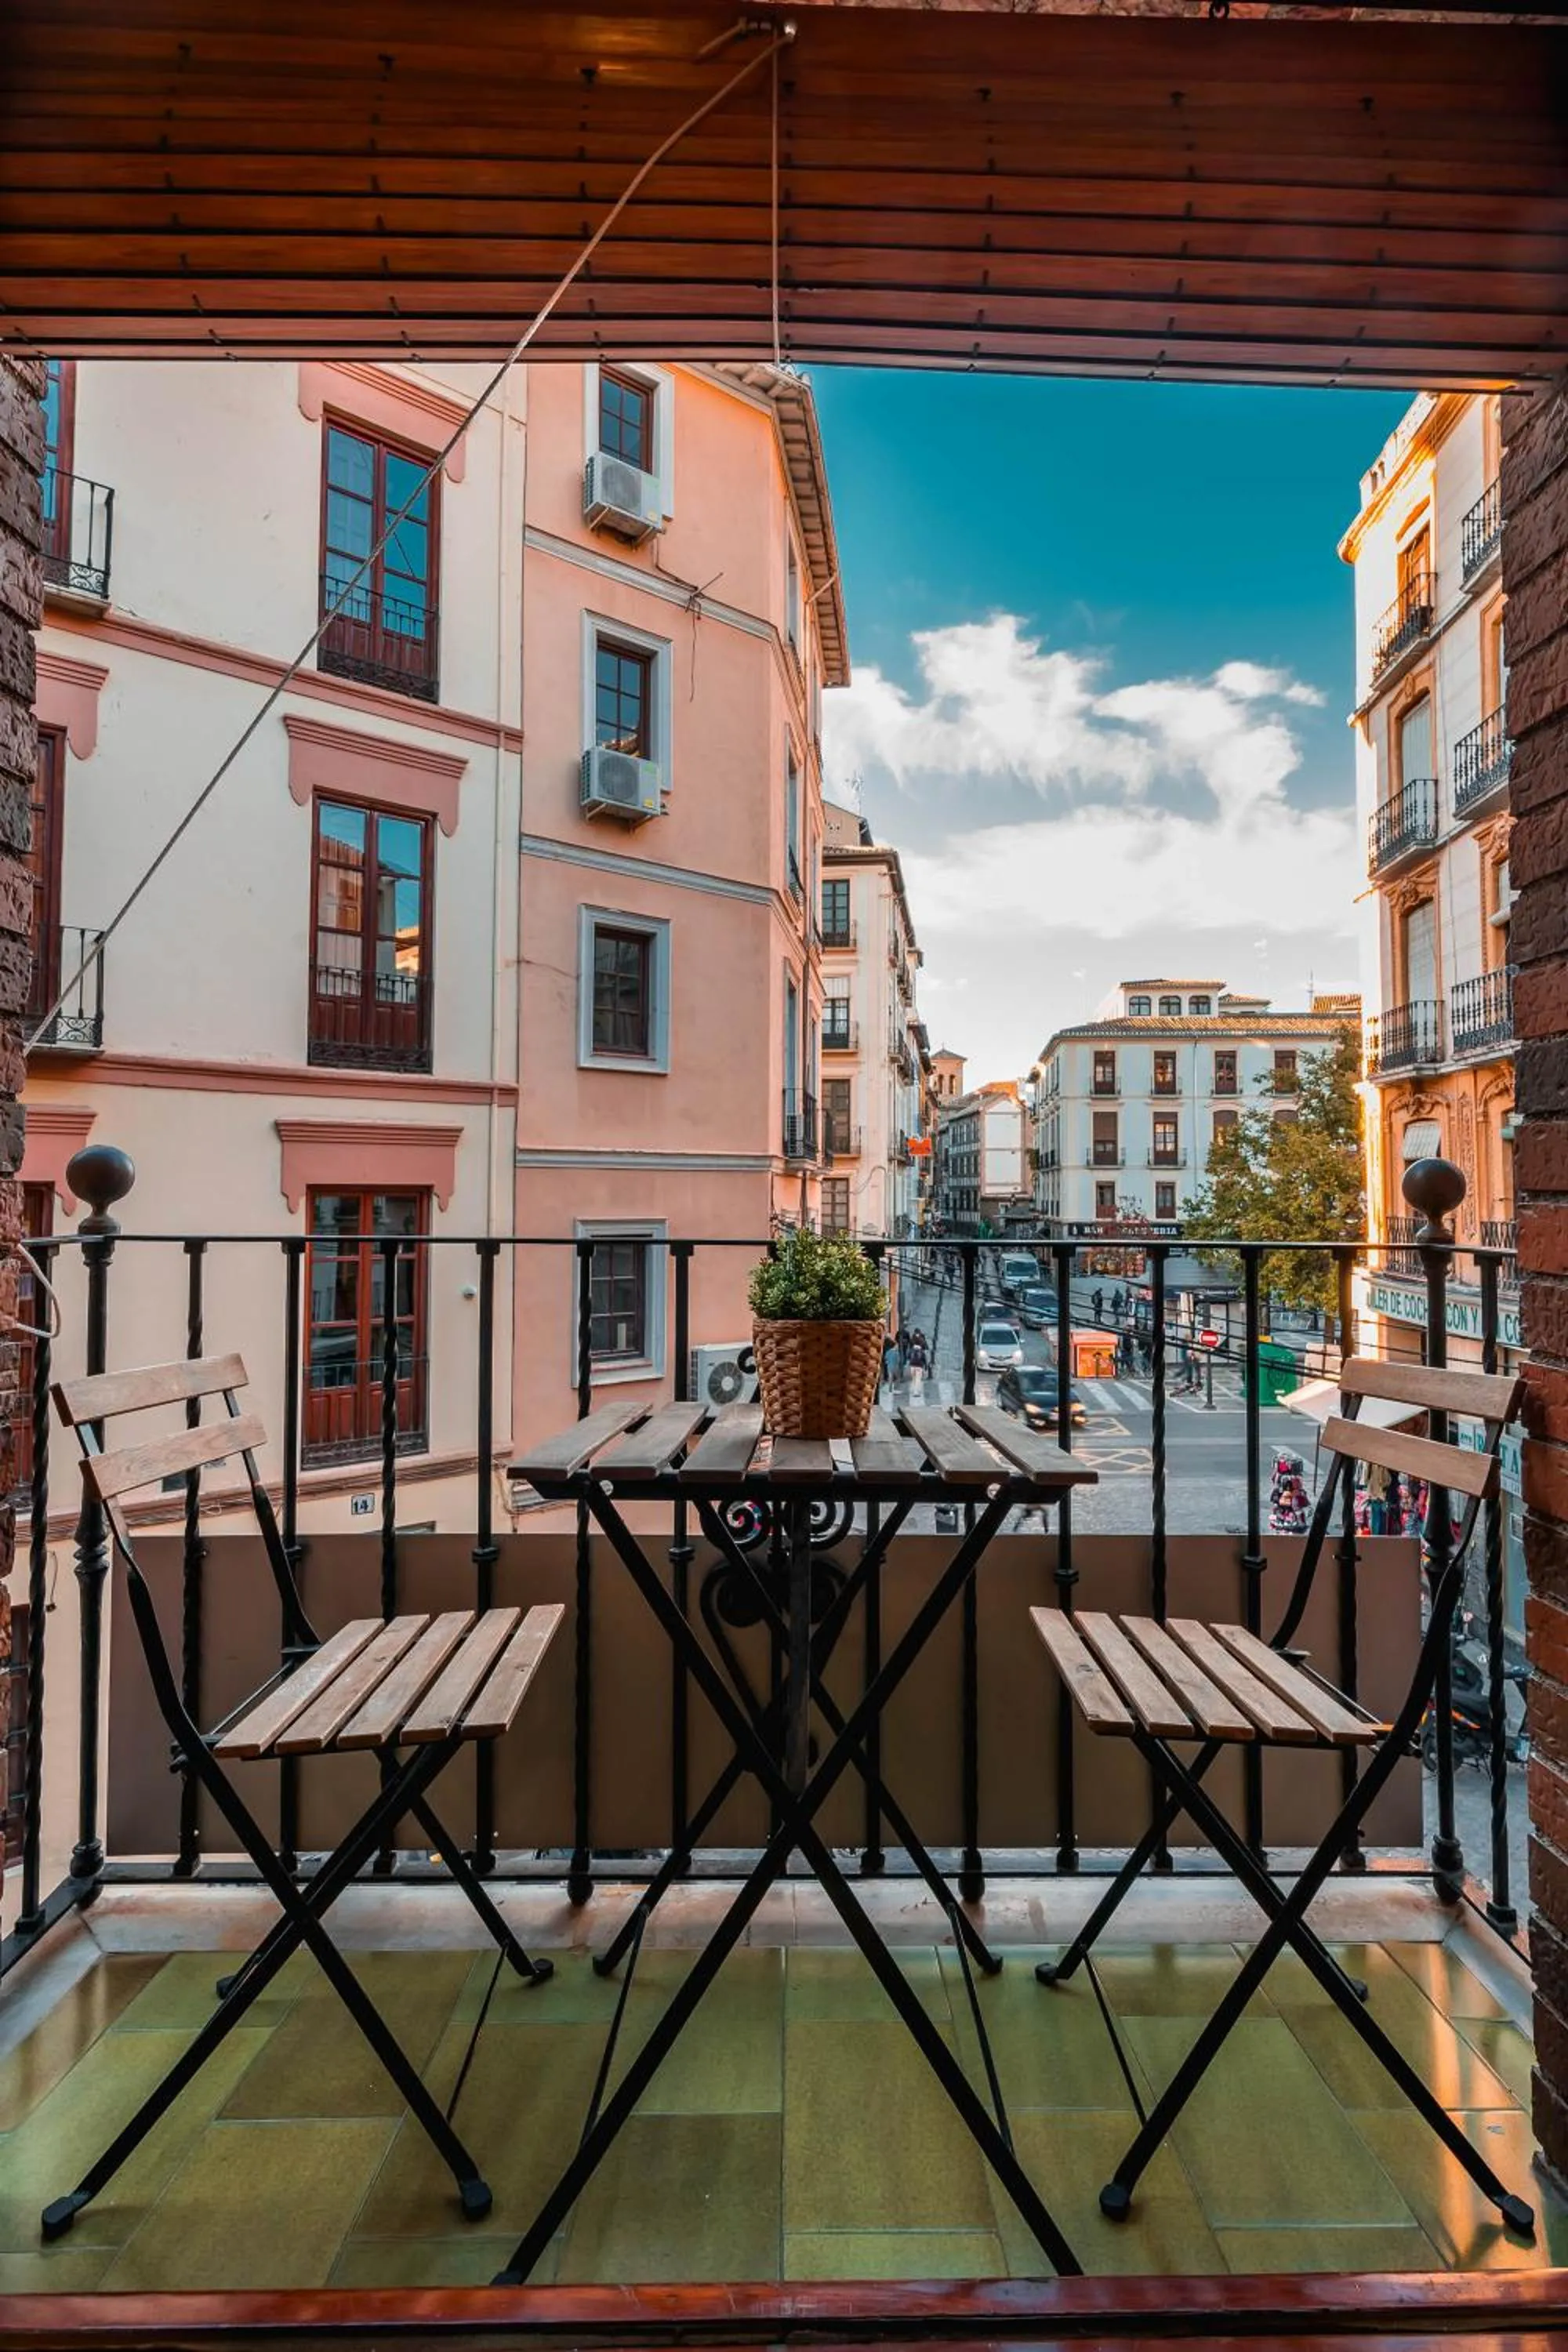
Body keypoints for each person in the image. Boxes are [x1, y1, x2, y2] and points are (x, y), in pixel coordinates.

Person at [907, 1327, 930, 1402]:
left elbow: (908, 1356)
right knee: (918, 1379)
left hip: (912, 1365)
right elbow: (925, 1358)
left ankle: (913, 1390)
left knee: (914, 1379)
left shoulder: (912, 1347)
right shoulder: (922, 1349)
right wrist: (926, 1367)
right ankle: (916, 1392)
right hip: (919, 1366)